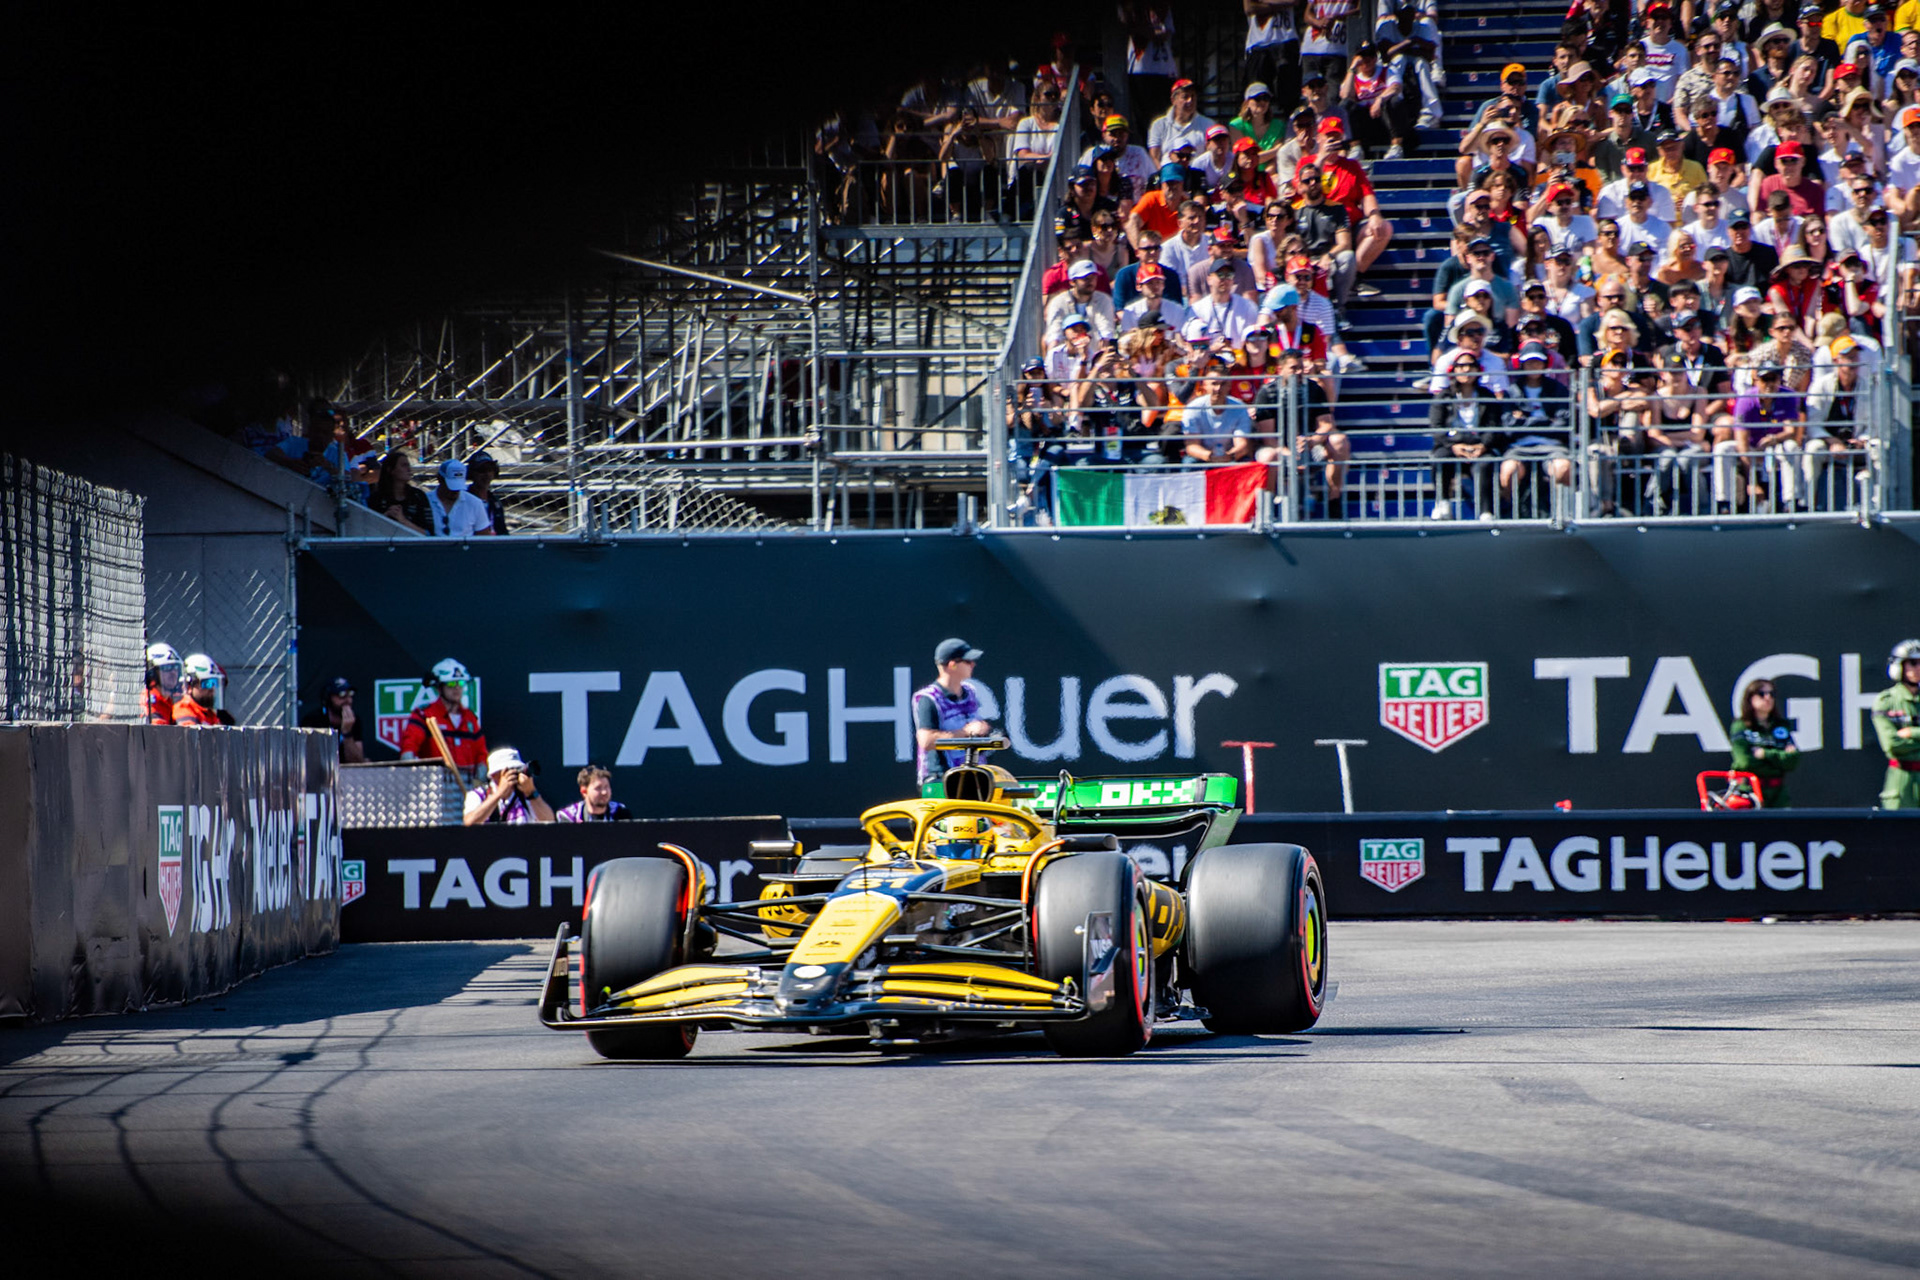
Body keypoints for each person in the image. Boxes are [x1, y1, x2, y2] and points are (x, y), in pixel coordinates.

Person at [914, 638, 992, 787]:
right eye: (968, 661)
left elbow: (974, 726)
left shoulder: (970, 692)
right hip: (941, 780)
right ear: (952, 665)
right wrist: (965, 732)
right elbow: (926, 740)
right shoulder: (929, 698)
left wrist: (983, 729)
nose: (973, 664)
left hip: (973, 777)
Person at [398, 657, 489, 780]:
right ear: (439, 687)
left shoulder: (470, 718)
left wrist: (479, 782)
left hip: (467, 788)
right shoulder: (424, 715)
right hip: (435, 787)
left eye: (461, 683)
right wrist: (415, 781)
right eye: (451, 683)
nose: (457, 687)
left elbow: (481, 754)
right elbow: (408, 750)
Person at [1728, 678, 1802, 807]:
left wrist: (1765, 754)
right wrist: (1779, 758)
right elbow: (1745, 763)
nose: (1767, 698)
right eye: (1762, 694)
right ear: (1750, 698)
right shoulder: (1741, 726)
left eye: (1771, 694)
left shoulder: (1781, 726)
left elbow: (1792, 761)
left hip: (1777, 792)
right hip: (1749, 791)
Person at [1873, 639, 1920, 808]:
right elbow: (1892, 745)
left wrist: (1911, 733)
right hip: (1901, 783)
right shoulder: (1886, 701)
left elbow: (1902, 741)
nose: (1918, 668)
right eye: (1913, 663)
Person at [463, 747, 555, 825]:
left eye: (517, 769)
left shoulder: (525, 795)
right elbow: (469, 823)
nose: (514, 773)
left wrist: (531, 792)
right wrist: (499, 794)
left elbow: (549, 822)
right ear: (494, 775)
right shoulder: (478, 795)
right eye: (509, 770)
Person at [301, 676, 366, 763]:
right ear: (329, 698)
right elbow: (309, 758)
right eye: (342, 695)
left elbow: (357, 761)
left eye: (350, 695)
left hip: (347, 771)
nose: (348, 700)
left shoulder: (354, 720)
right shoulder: (313, 720)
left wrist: (347, 732)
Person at [428, 459, 493, 538]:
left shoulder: (475, 503)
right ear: (440, 479)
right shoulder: (424, 501)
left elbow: (484, 538)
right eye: (451, 487)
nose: (455, 491)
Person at [556, 765, 631, 822]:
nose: (604, 792)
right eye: (598, 788)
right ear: (584, 791)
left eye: (606, 787)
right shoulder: (570, 817)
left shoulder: (620, 812)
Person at [172, 653, 226, 726]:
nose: (212, 689)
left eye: (214, 683)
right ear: (189, 686)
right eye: (207, 683)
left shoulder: (208, 713)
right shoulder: (184, 709)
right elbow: (189, 735)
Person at [466, 451, 509, 535]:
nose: (487, 475)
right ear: (472, 473)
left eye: (490, 470)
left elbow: (502, 531)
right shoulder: (464, 499)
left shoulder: (494, 501)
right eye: (482, 471)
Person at [145, 642, 182, 725]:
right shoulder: (147, 699)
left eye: (175, 667)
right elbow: (157, 733)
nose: (173, 672)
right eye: (167, 668)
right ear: (152, 673)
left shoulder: (168, 701)